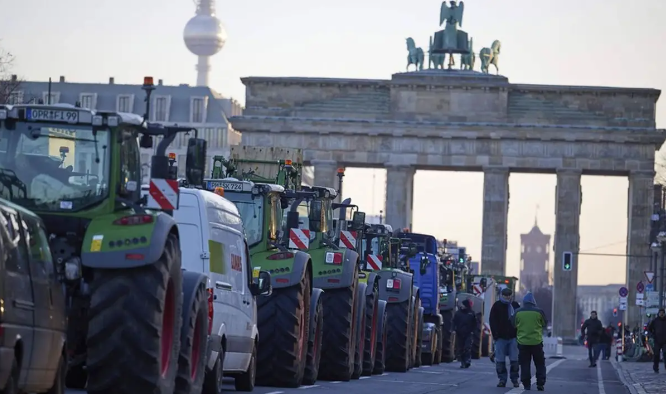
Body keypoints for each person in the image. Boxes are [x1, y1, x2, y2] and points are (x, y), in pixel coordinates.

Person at [512, 292, 547, 391]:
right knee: (540, 363)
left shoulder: (518, 312)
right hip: (536, 342)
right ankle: (540, 383)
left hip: (523, 342)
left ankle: (526, 384)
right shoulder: (539, 312)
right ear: (533, 302)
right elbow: (544, 323)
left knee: (525, 364)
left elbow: (513, 324)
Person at [489, 288, 520, 388]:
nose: (507, 297)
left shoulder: (515, 306)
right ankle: (502, 379)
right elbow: (492, 321)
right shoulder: (497, 306)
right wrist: (495, 334)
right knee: (500, 360)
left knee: (514, 360)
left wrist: (518, 334)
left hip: (513, 337)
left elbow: (519, 320)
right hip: (501, 337)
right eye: (506, 295)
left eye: (509, 295)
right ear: (502, 295)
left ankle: (515, 379)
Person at [453, 299, 478, 369]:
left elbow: (475, 323)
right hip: (459, 333)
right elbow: (454, 322)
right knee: (460, 348)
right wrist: (454, 329)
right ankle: (463, 362)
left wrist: (473, 331)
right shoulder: (458, 313)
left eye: (463, 305)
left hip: (468, 333)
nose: (462, 306)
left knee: (467, 347)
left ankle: (467, 360)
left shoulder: (472, 313)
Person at [647, 308, 666, 373]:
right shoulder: (655, 321)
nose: (661, 314)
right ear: (658, 313)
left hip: (665, 341)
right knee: (656, 355)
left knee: (665, 354)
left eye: (662, 313)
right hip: (657, 340)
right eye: (660, 313)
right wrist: (652, 335)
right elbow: (649, 329)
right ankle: (655, 367)